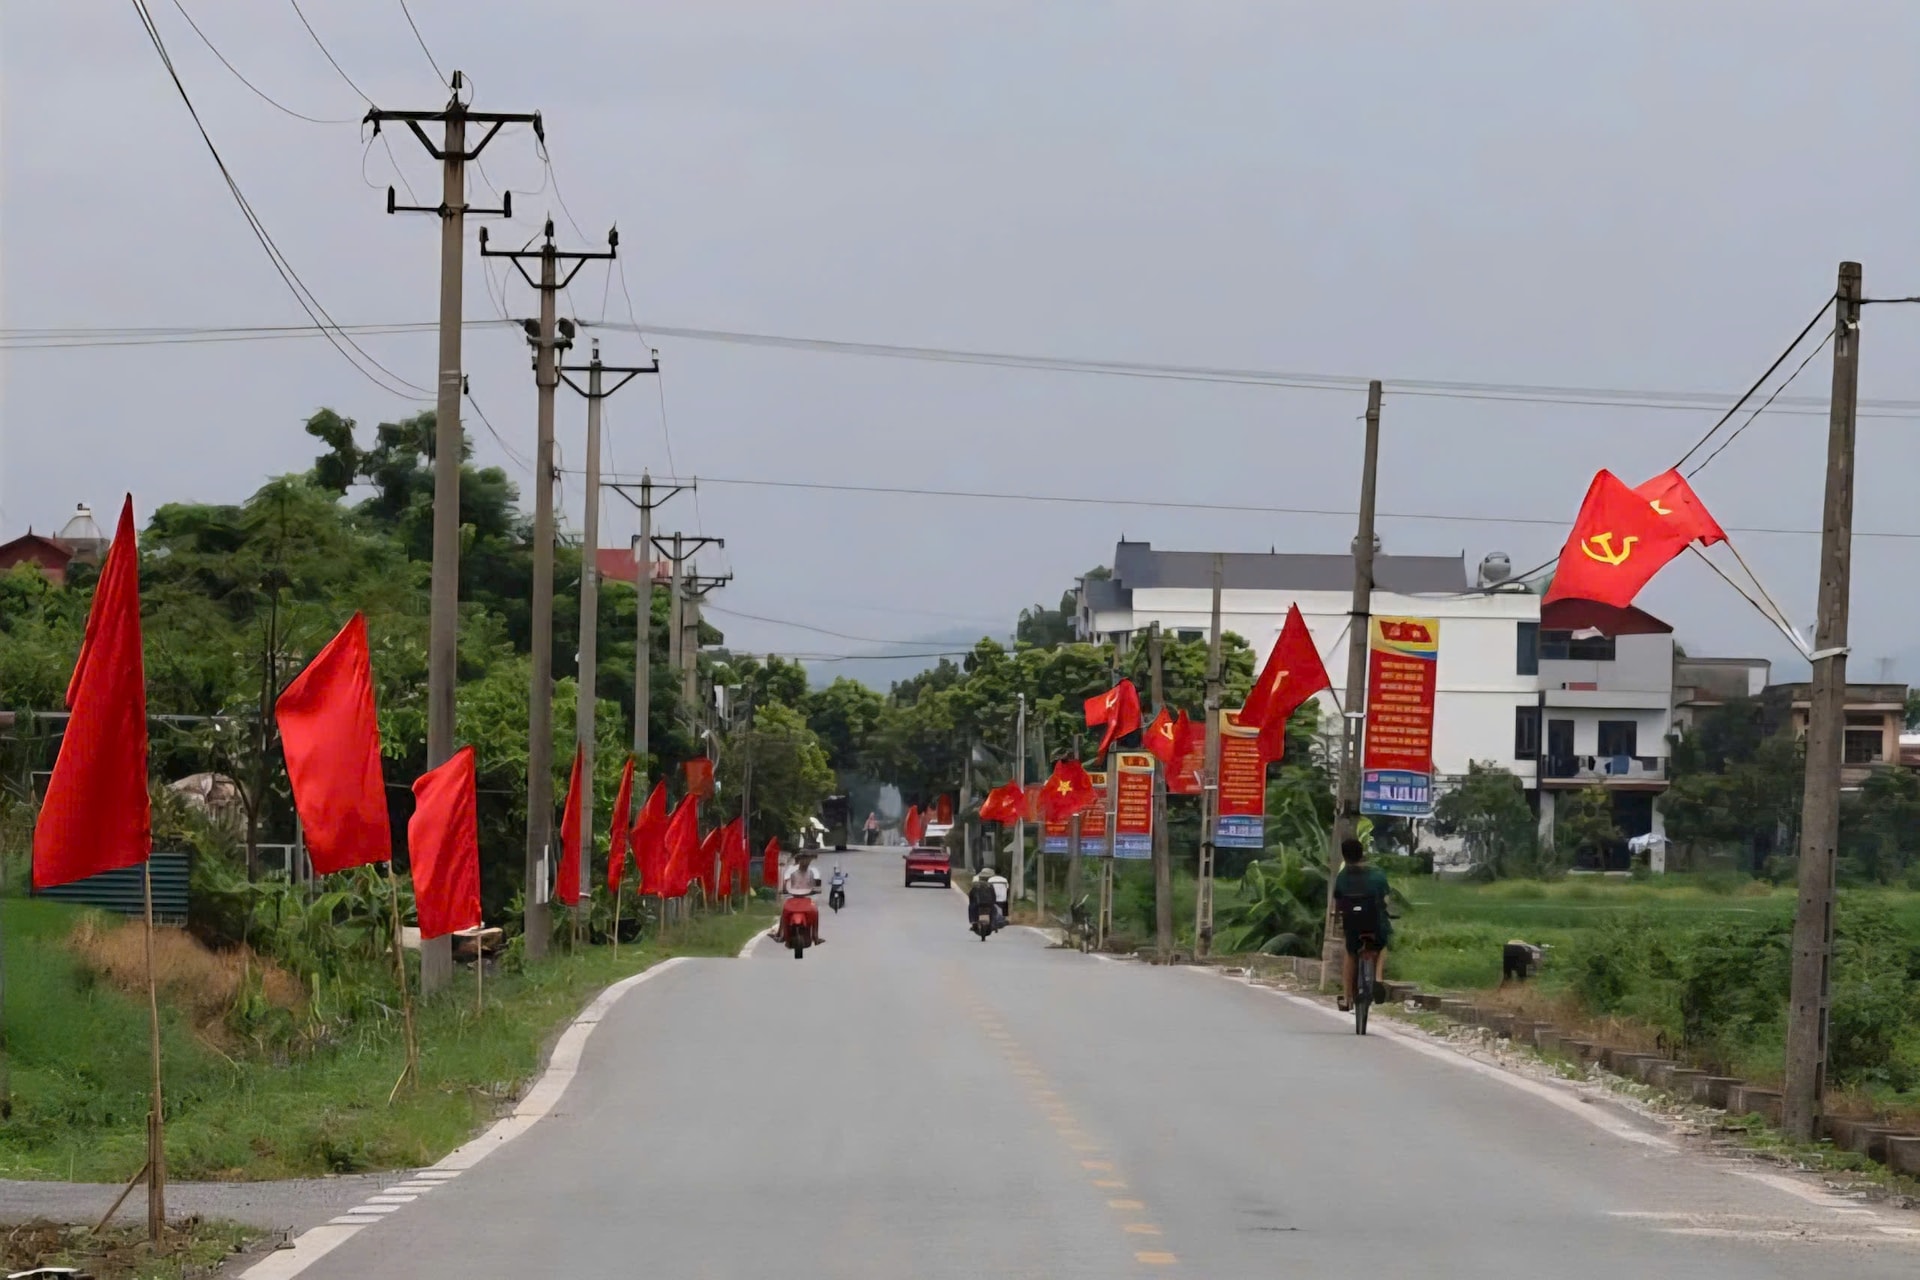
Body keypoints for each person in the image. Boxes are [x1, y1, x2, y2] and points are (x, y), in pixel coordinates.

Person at [1331, 837, 1392, 1012]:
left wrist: (1338, 920)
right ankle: (1378, 979)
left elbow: (1338, 903)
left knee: (1350, 953)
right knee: (1383, 944)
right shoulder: (1377, 875)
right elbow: (1386, 900)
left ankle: (1347, 998)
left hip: (1352, 924)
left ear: (1344, 856)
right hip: (1374, 923)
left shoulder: (1342, 877)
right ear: (1362, 854)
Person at [771, 850, 825, 945]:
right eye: (804, 860)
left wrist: (816, 889)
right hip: (793, 898)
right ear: (799, 861)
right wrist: (784, 889)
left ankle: (815, 936)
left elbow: (815, 885)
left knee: (815, 911)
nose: (806, 863)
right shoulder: (792, 872)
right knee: (785, 910)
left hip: (805, 898)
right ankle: (781, 934)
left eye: (808, 861)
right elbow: (787, 884)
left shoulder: (811, 873)